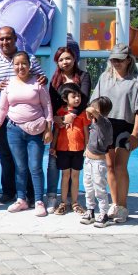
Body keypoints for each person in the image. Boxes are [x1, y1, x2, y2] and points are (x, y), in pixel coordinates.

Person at [0, 26, 46, 205]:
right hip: (1, 115)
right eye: (1, 39)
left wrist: (43, 79)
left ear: (15, 38)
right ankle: (9, 192)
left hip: (29, 118)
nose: (5, 42)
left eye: (8, 38)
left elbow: (42, 80)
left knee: (29, 159)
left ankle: (32, 195)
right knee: (6, 156)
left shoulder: (29, 58)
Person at [89, 43, 138, 224]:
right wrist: (94, 124)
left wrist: (136, 132)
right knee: (110, 166)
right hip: (106, 125)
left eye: (120, 59)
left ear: (128, 60)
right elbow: (94, 103)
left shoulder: (137, 80)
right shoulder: (105, 77)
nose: (116, 63)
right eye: (113, 59)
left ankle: (123, 205)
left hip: (125, 126)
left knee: (121, 166)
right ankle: (115, 203)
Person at [0, 52, 52, 217]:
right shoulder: (9, 85)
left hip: (36, 130)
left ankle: (39, 200)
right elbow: (2, 109)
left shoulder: (38, 83)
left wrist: (48, 128)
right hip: (14, 130)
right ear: (13, 66)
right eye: (17, 64)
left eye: (24, 63)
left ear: (29, 65)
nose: (20, 67)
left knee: (35, 166)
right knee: (20, 167)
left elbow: (47, 106)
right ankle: (21, 199)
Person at [47, 45, 91, 212]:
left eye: (68, 58)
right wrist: (56, 118)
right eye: (61, 59)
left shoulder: (83, 76)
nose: (65, 62)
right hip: (59, 124)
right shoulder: (55, 80)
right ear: (57, 62)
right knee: (55, 164)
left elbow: (84, 98)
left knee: (75, 170)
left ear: (74, 59)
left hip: (77, 122)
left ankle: (74, 200)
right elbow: (51, 103)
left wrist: (72, 115)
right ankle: (53, 196)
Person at [50, 84, 89, 215]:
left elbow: (86, 131)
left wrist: (87, 147)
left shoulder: (83, 113)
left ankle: (75, 202)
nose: (77, 98)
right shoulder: (60, 113)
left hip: (78, 149)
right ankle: (63, 202)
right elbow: (56, 130)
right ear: (65, 99)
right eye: (74, 96)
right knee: (65, 175)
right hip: (63, 148)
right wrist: (53, 147)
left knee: (75, 176)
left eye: (78, 96)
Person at [80, 97, 114, 228]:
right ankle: (90, 211)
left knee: (99, 189)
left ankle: (104, 213)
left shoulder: (105, 123)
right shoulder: (94, 123)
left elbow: (90, 110)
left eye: (94, 108)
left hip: (98, 163)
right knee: (88, 188)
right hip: (88, 161)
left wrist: (90, 110)